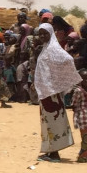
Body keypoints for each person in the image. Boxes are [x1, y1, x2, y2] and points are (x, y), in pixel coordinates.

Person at [33, 23, 82, 162]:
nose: (42, 36)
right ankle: (50, 151)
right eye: (40, 33)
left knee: (53, 121)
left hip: (51, 93)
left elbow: (68, 59)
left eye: (45, 33)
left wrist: (59, 80)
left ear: (51, 33)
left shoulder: (53, 48)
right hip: (46, 92)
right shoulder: (46, 48)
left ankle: (54, 154)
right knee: (47, 121)